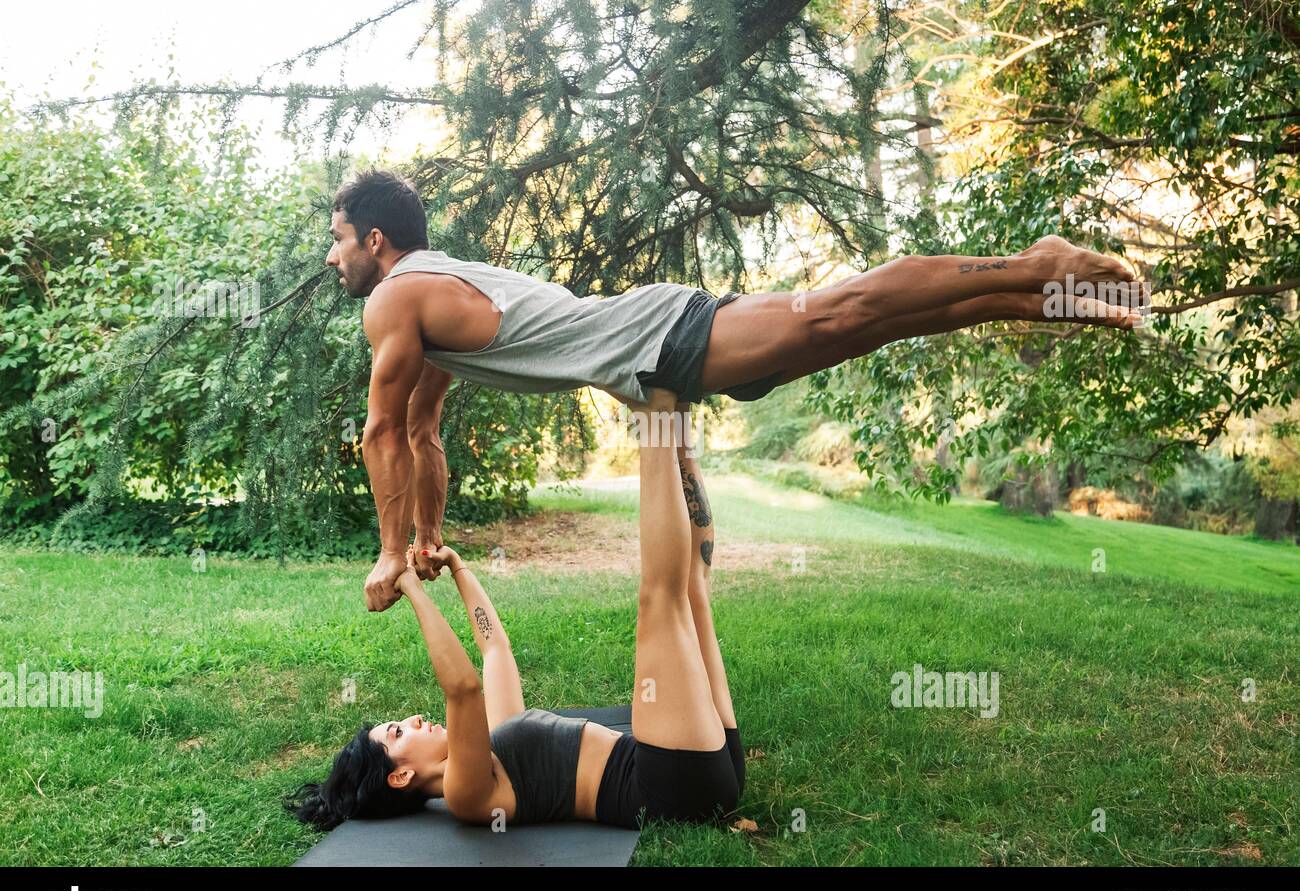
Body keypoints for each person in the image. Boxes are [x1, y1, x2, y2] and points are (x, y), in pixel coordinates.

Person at [327, 168, 1146, 611]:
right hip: (659, 357)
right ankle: (1052, 297)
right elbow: (421, 431)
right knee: (872, 325)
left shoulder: (396, 297)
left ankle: (1035, 264)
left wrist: (391, 552)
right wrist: (426, 535)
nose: (334, 260)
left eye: (337, 242)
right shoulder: (427, 294)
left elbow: (380, 434)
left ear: (374, 240)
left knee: (843, 308)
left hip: (657, 337)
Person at [285, 387, 743, 831]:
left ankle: (675, 414)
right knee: (662, 598)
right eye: (399, 734)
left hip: (699, 764)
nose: (413, 720)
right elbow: (463, 689)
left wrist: (459, 569)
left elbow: (494, 650)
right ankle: (655, 410)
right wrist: (410, 587)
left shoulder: (498, 740)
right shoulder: (465, 795)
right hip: (672, 784)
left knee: (690, 587)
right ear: (400, 776)